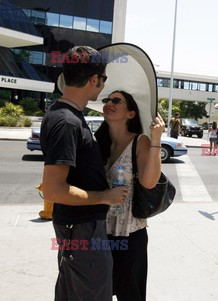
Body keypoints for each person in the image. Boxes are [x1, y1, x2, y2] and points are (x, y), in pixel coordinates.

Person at [40, 46, 127, 300]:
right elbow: (53, 189)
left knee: (73, 292)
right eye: (104, 80)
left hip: (76, 228)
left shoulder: (65, 115)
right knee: (93, 293)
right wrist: (105, 197)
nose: (103, 86)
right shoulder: (67, 122)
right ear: (94, 80)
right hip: (81, 230)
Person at [95, 90, 165, 301]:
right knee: (98, 292)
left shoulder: (140, 142)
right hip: (99, 231)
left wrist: (156, 139)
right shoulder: (98, 142)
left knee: (130, 295)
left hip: (129, 233)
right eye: (107, 100)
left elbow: (149, 182)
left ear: (131, 114)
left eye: (116, 101)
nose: (109, 103)